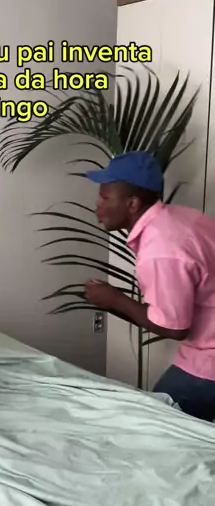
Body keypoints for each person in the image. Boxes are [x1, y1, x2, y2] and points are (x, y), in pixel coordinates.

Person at [83, 151, 215, 422]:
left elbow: (174, 328)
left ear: (132, 203)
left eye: (105, 197)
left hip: (208, 362)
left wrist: (114, 300)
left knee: (154, 422)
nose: (97, 204)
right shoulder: (182, 217)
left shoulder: (161, 248)